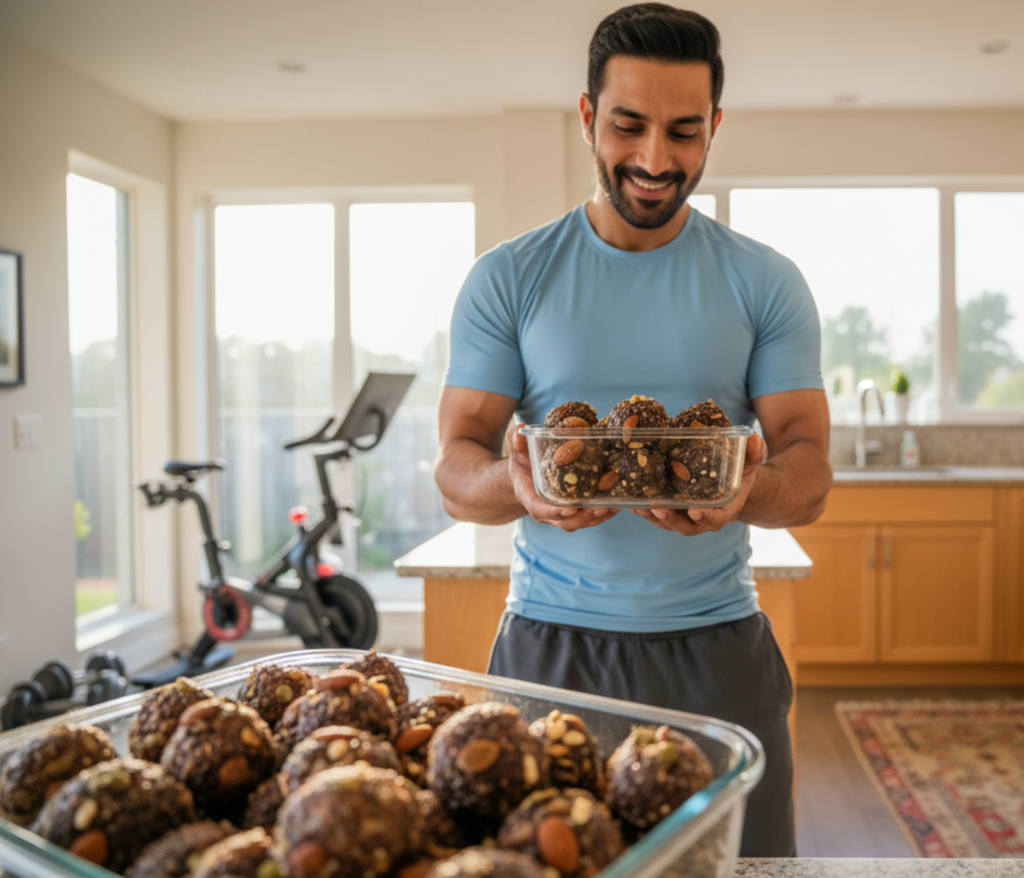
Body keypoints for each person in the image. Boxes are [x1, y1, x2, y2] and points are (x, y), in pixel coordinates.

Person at [433, 2, 832, 857]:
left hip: (718, 647)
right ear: (588, 118)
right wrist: (518, 486)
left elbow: (811, 474)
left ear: (715, 128)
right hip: (550, 649)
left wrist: (745, 491)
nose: (655, 160)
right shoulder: (509, 278)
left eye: (685, 132)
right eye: (629, 126)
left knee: (742, 869)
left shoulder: (766, 282)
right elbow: (455, 468)